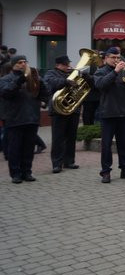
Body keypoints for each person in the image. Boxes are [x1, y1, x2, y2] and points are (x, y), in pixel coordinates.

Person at [93, 47, 125, 183]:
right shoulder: (101, 71)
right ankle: (106, 172)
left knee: (124, 144)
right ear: (106, 58)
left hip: (123, 112)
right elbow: (100, 85)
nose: (116, 60)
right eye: (113, 57)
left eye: (118, 57)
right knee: (106, 145)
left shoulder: (124, 71)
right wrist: (115, 71)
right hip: (108, 113)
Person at [0, 55, 48, 183]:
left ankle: (27, 172)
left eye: (25, 62)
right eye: (20, 62)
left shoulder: (33, 78)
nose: (23, 64)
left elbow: (44, 93)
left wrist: (43, 95)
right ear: (13, 65)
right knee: (14, 149)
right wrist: (21, 79)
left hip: (31, 117)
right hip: (14, 118)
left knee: (28, 148)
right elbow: (6, 92)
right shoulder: (5, 79)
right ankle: (15, 174)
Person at [44, 55, 81, 173]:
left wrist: (78, 77)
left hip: (72, 109)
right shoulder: (51, 73)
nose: (67, 66)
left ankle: (69, 161)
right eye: (65, 64)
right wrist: (67, 81)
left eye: (68, 64)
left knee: (71, 137)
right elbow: (52, 83)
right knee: (58, 138)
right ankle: (57, 164)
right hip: (58, 110)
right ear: (57, 65)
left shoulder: (72, 73)